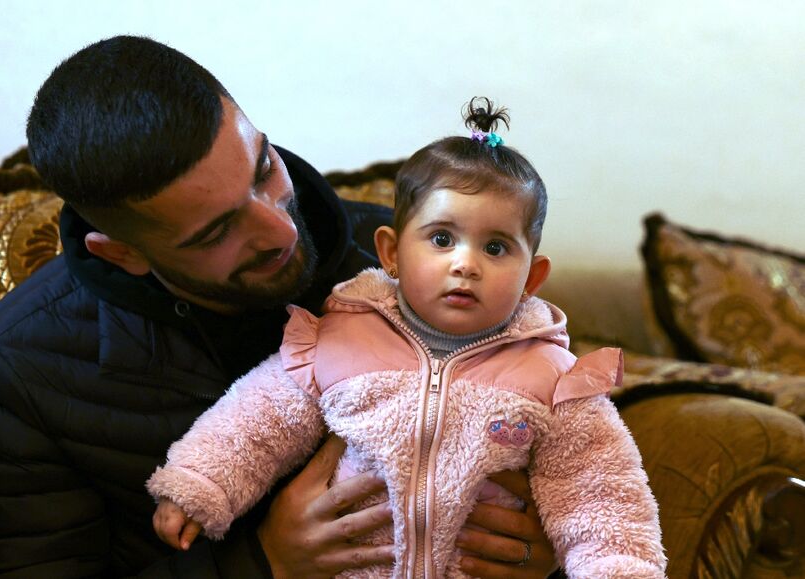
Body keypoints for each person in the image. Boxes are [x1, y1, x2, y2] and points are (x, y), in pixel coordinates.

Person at [0, 36, 558, 578]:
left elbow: (562, 452)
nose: (278, 230)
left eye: (263, 169)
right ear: (123, 253)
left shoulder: (405, 267)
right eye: (215, 231)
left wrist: (546, 550)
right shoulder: (26, 359)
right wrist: (262, 561)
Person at [147, 99, 667, 578]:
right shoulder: (338, 342)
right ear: (392, 254)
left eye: (496, 247)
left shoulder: (552, 379)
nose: (466, 264)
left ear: (532, 278)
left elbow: (599, 488)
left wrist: (619, 566)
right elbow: (257, 418)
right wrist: (200, 484)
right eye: (442, 239)